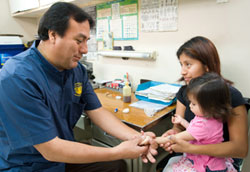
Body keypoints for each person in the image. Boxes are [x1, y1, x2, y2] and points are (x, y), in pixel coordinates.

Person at [0, 2, 157, 172]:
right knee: (114, 159)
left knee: (116, 166)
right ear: (53, 35)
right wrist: (116, 151)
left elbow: (97, 111)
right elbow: (50, 149)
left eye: (87, 41)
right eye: (78, 41)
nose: (85, 50)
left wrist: (136, 137)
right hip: (29, 165)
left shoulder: (76, 70)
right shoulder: (17, 77)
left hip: (63, 156)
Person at [161, 36, 248, 171]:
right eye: (181, 64)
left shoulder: (231, 96)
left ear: (207, 65)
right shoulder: (184, 92)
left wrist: (193, 148)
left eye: (188, 64)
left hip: (219, 164)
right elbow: (178, 128)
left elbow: (240, 149)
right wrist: (173, 132)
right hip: (191, 158)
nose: (182, 71)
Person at [162, 72, 237, 172]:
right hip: (207, 160)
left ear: (209, 105)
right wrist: (182, 121)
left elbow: (175, 138)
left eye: (193, 104)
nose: (190, 106)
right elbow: (193, 129)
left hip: (210, 167)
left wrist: (154, 140)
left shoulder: (205, 125)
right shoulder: (208, 117)